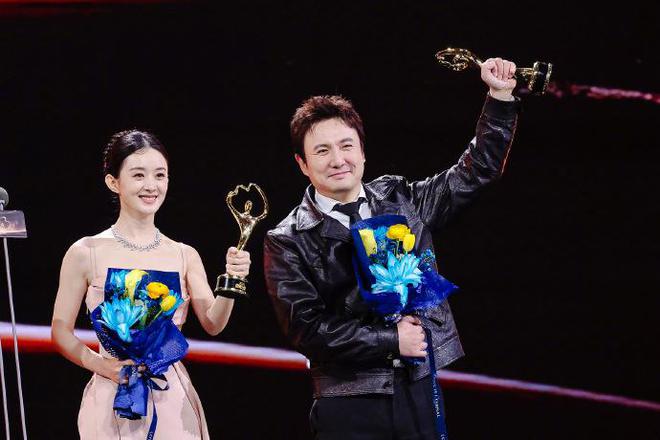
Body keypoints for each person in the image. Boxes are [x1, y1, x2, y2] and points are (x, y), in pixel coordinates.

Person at [263, 58, 520, 439]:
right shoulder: (287, 238)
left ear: (363, 152)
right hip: (348, 399)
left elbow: (476, 171)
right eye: (322, 151)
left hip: (418, 387)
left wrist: (499, 98)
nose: (338, 160)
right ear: (302, 163)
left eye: (346, 146)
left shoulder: (400, 200)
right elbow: (307, 330)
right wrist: (391, 340)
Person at [51, 130, 251, 439]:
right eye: (138, 175)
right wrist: (105, 367)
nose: (151, 185)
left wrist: (232, 280)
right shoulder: (85, 252)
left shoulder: (184, 254)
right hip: (112, 392)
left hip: (171, 396)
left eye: (160, 175)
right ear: (113, 182)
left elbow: (213, 324)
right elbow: (60, 331)